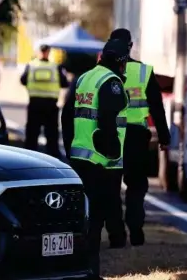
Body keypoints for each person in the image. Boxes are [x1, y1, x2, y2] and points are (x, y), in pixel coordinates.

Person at [61, 39, 130, 279]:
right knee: (97, 221)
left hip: (81, 158)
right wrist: (112, 151)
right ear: (120, 61)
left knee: (84, 218)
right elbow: (108, 122)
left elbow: (67, 114)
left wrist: (70, 145)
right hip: (102, 163)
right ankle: (91, 273)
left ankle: (81, 269)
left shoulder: (84, 78)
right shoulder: (111, 83)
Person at [108, 28, 171, 246]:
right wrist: (164, 136)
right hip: (136, 136)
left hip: (111, 135)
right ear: (130, 46)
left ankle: (116, 235)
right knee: (136, 186)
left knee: (112, 185)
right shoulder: (143, 72)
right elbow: (157, 106)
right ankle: (136, 231)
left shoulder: (103, 72)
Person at [20, 45, 69, 158]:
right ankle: (54, 158)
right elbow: (64, 83)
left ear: (39, 52)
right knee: (51, 134)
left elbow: (23, 80)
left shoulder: (31, 65)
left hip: (34, 104)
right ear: (48, 52)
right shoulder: (55, 67)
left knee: (32, 133)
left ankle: (28, 156)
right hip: (50, 105)